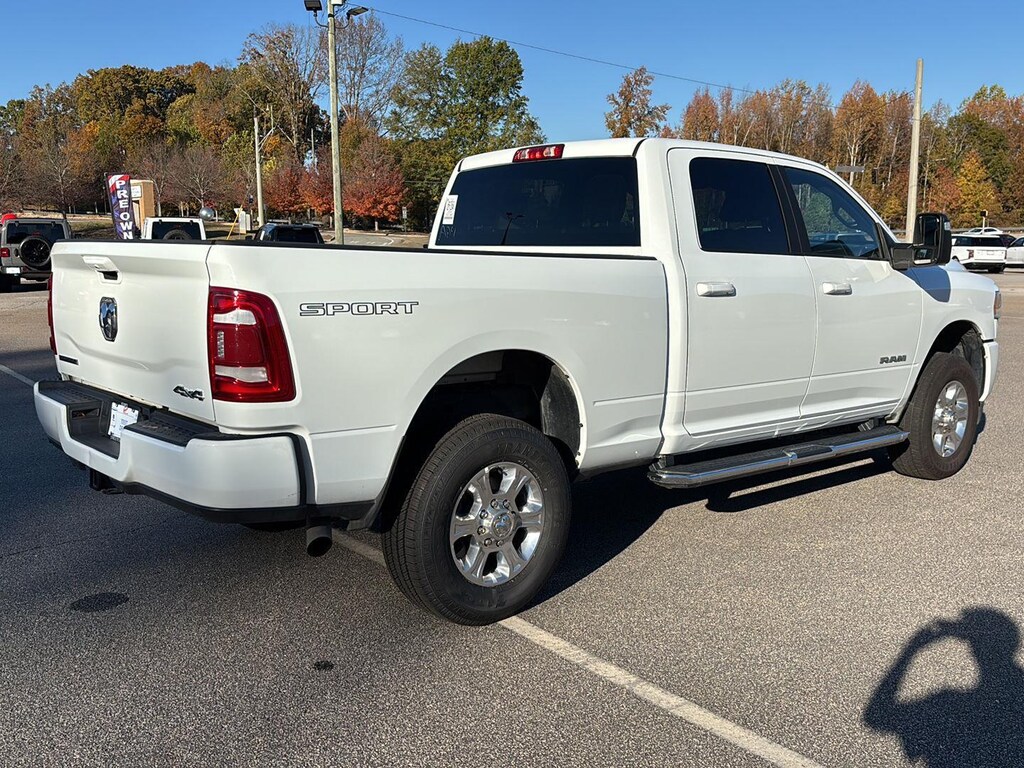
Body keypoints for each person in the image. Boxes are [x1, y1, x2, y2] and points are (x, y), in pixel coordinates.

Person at [864, 608, 1024, 767]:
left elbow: (878, 715)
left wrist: (912, 649)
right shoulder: (1012, 706)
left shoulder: (952, 708)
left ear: (973, 648)